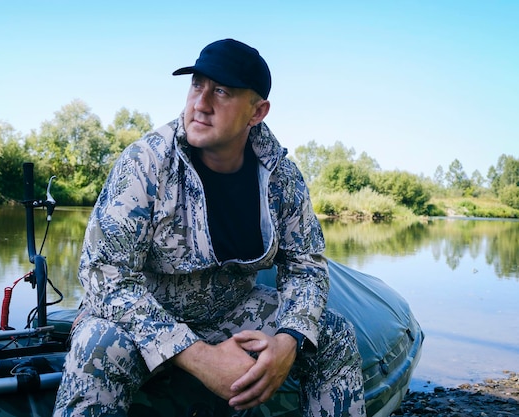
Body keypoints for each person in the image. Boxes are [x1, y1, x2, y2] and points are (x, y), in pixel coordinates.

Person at [53, 38, 366, 417]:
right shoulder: (147, 161)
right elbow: (104, 275)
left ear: (257, 112)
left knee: (333, 336)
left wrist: (289, 339)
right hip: (141, 317)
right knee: (97, 345)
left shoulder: (280, 176)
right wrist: (199, 357)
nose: (201, 103)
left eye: (221, 91)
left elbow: (307, 266)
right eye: (197, 85)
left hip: (229, 313)